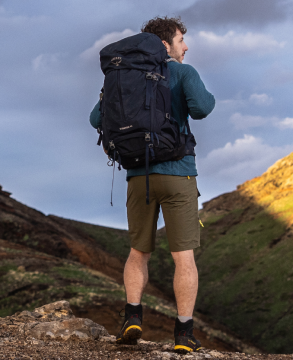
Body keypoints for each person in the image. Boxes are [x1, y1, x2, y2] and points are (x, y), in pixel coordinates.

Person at [88, 16, 215, 353]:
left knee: (138, 252)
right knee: (183, 257)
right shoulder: (183, 72)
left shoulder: (124, 77)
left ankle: (132, 317)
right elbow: (202, 108)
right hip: (178, 174)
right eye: (180, 40)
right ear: (165, 44)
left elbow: (95, 119)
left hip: (138, 175)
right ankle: (184, 335)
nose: (185, 47)